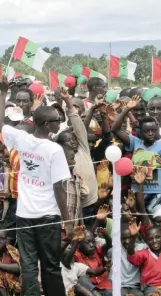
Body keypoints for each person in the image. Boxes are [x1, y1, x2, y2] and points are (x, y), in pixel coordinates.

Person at [0, 76, 72, 296]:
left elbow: (0, 123)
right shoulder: (54, 150)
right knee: (50, 265)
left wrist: (2, 94)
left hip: (24, 214)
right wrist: (67, 222)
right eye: (57, 120)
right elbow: (59, 188)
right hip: (47, 216)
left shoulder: (22, 139)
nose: (59, 123)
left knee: (28, 264)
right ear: (48, 125)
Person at [111, 96, 161, 212]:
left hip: (158, 194)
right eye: (147, 131)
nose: (150, 133)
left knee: (159, 223)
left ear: (157, 129)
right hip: (137, 192)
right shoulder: (134, 142)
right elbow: (115, 129)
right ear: (141, 133)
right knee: (139, 225)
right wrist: (127, 109)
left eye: (153, 130)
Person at [58, 88, 98, 228]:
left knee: (89, 233)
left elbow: (79, 126)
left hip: (91, 202)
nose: (73, 142)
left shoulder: (83, 149)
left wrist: (69, 103)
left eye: (74, 139)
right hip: (72, 204)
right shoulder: (61, 158)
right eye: (69, 140)